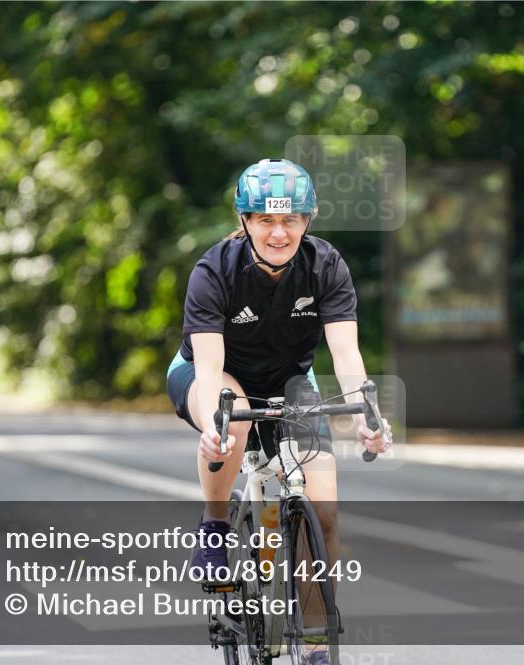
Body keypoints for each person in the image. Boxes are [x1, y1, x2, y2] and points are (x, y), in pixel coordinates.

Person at [166, 159, 391, 659]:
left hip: (290, 381)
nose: (278, 232)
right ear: (244, 220)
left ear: (308, 220)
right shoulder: (215, 271)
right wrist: (213, 424)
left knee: (324, 510)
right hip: (212, 374)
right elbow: (208, 364)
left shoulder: (326, 265)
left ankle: (313, 639)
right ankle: (216, 524)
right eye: (265, 220)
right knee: (233, 415)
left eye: (290, 219)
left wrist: (363, 417)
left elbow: (347, 355)